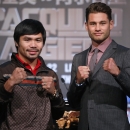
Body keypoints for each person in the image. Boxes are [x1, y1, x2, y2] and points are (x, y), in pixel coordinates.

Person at [67, 2, 130, 130]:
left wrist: (118, 73)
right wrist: (78, 82)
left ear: (111, 24)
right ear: (86, 26)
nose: (97, 28)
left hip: (114, 126)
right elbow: (73, 102)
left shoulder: (125, 54)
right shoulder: (78, 58)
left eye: (102, 23)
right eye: (93, 24)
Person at [0, 19, 65, 130]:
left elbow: (58, 114)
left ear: (43, 43)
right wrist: (9, 84)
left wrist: (54, 93)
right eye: (27, 40)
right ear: (16, 42)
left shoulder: (50, 74)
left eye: (38, 40)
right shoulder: (4, 71)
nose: (33, 45)